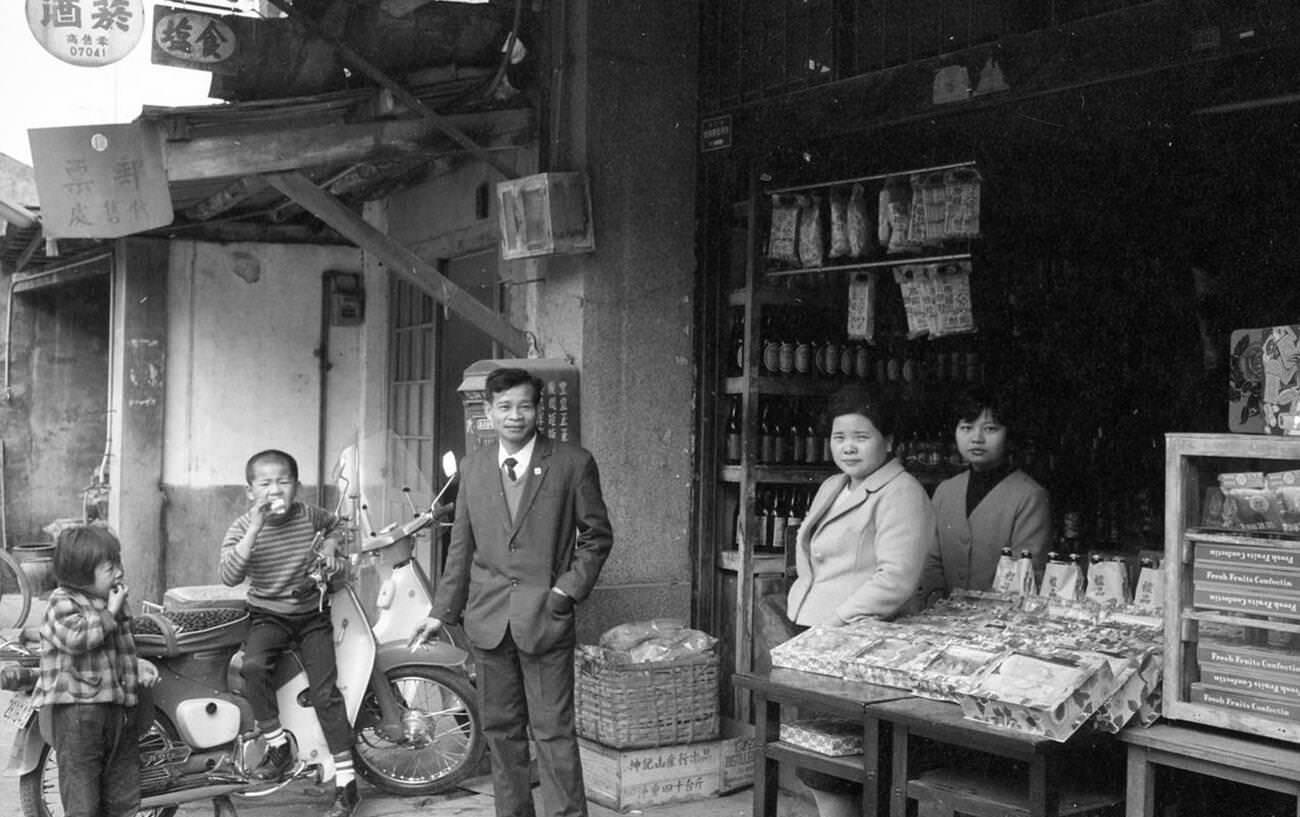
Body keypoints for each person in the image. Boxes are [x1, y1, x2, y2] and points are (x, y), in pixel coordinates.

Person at [409, 366, 614, 817]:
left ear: (538, 409)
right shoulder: (474, 467)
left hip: (545, 616)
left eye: (524, 405)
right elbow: (461, 546)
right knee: (501, 731)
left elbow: (596, 536)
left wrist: (565, 593)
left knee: (554, 732)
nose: (515, 416)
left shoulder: (572, 463)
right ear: (489, 412)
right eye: (504, 407)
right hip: (488, 620)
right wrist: (441, 612)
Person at [785, 385, 936, 817]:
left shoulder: (901, 491)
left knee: (838, 768)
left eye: (862, 437)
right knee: (819, 758)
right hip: (814, 635)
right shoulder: (835, 485)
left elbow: (897, 578)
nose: (848, 447)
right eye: (839, 437)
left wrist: (836, 619)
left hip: (853, 641)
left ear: (889, 441)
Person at [219, 449, 358, 817]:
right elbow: (230, 576)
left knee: (326, 693)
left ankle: (346, 782)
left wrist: (329, 545)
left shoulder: (309, 515)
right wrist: (254, 529)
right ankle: (278, 744)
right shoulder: (241, 527)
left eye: (283, 481)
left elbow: (336, 525)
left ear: (297, 486)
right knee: (252, 667)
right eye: (264, 483)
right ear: (250, 491)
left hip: (312, 615)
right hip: (268, 615)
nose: (274, 490)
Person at [34, 523, 160, 817]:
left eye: (119, 561)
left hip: (118, 713)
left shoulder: (111, 601)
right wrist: (109, 613)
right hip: (79, 717)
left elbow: (116, 647)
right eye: (109, 566)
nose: (119, 571)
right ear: (81, 573)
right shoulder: (62, 603)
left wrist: (136, 664)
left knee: (122, 795)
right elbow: (79, 639)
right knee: (83, 798)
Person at [921, 387, 1052, 598]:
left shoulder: (1030, 496)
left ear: (1009, 434)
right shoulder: (945, 491)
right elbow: (931, 561)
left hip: (1000, 622)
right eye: (966, 427)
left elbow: (1026, 574)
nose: (976, 438)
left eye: (990, 429)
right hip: (943, 619)